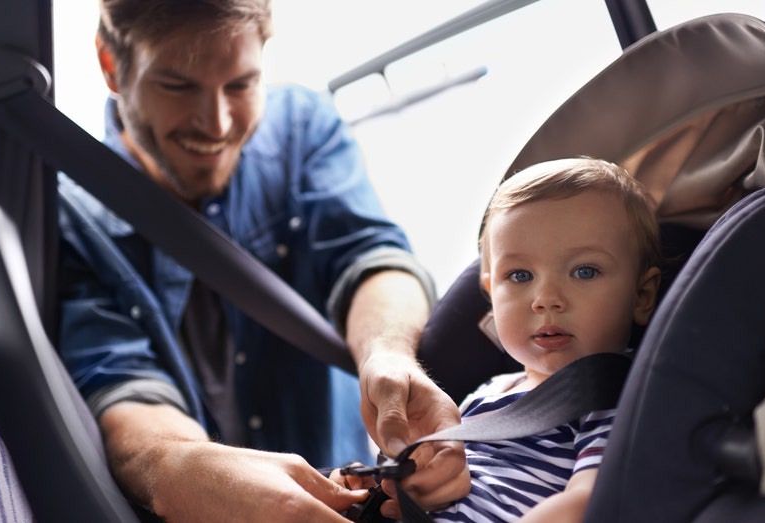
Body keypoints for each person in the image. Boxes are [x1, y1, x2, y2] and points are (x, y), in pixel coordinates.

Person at [56, 1, 467, 521]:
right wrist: (185, 471)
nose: (217, 123)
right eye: (178, 86)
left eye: (241, 85)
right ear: (112, 66)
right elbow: (122, 382)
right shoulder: (70, 217)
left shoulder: (301, 127)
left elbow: (369, 257)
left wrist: (389, 357)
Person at [430, 157, 663, 522]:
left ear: (642, 296)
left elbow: (587, 504)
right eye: (520, 275)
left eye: (584, 271)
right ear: (492, 294)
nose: (546, 298)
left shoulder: (615, 396)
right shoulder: (488, 392)